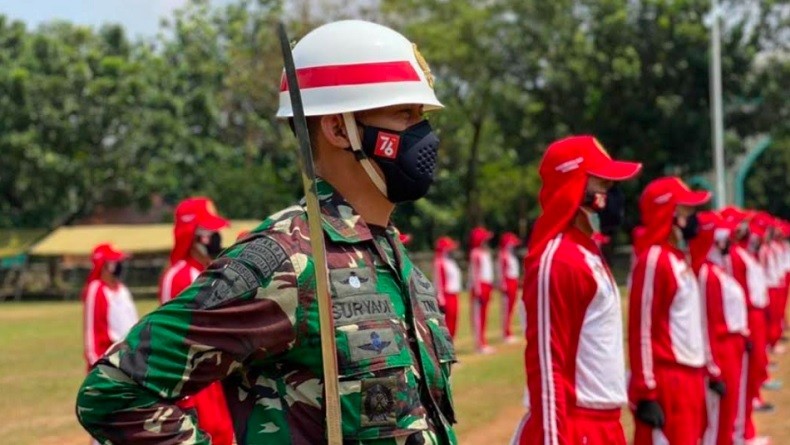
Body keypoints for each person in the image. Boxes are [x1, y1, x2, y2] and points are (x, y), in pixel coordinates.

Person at [76, 20, 458, 445]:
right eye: (405, 114)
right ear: (338, 129)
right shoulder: (288, 260)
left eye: (422, 116)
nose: (425, 136)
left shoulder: (391, 255)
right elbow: (113, 392)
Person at [512, 135, 642, 445]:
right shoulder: (559, 260)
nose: (614, 196)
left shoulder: (587, 251)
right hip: (573, 426)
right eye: (604, 185)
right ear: (575, 187)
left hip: (604, 424)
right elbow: (548, 366)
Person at [628, 176, 714, 445]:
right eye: (687, 212)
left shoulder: (679, 259)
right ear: (670, 214)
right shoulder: (654, 260)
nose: (693, 220)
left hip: (691, 374)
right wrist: (646, 390)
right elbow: (641, 327)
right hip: (670, 377)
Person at [159, 197, 234, 445]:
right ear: (195, 236)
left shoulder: (210, 273)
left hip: (215, 381)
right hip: (193, 386)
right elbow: (170, 339)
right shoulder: (179, 276)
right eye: (211, 232)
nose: (217, 238)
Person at [689, 211, 749, 445]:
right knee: (718, 418)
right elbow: (707, 323)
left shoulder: (718, 270)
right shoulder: (707, 274)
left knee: (729, 411)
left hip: (730, 347)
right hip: (721, 352)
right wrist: (713, 368)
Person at [721, 207, 772, 445]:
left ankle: (745, 428)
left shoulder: (742, 253)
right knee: (743, 377)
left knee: (752, 368)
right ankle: (742, 432)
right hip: (745, 317)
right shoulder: (733, 255)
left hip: (752, 314)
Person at [82, 242, 138, 371]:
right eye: (116, 262)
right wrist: (96, 364)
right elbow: (91, 332)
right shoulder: (96, 289)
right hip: (109, 361)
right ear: (107, 266)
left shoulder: (122, 290)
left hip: (129, 359)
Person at [468, 226, 495, 353]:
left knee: (484, 315)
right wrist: (478, 291)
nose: (486, 241)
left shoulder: (485, 252)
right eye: (484, 239)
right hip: (480, 287)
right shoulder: (475, 253)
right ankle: (479, 344)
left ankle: (483, 342)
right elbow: (475, 273)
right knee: (478, 316)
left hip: (486, 285)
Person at [434, 236, 462, 339]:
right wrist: (441, 300)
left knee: (454, 321)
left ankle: (452, 343)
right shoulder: (439, 262)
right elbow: (439, 282)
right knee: (447, 323)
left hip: (454, 294)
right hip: (446, 296)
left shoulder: (451, 261)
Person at [497, 232, 521, 343]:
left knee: (512, 308)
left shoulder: (511, 255)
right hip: (508, 282)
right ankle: (506, 333)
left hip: (514, 282)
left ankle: (509, 331)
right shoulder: (503, 255)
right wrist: (503, 284)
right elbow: (501, 271)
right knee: (506, 309)